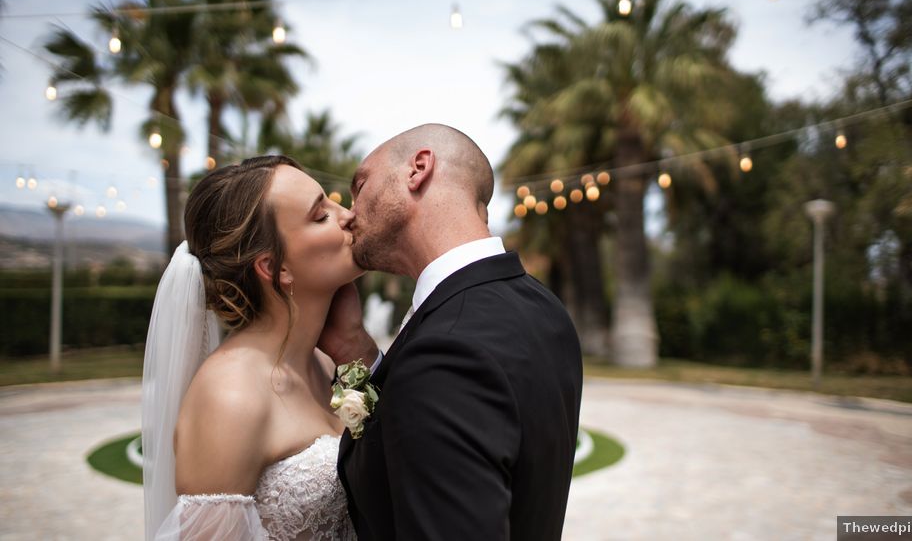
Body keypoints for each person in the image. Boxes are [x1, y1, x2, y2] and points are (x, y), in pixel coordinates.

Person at [319, 124, 583, 540]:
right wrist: (358, 354)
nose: (349, 212)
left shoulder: (447, 350)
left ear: (418, 169)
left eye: (361, 184)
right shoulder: (544, 308)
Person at [142, 155, 362, 540]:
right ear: (275, 268)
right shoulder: (231, 394)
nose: (347, 214)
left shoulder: (326, 363)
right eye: (320, 215)